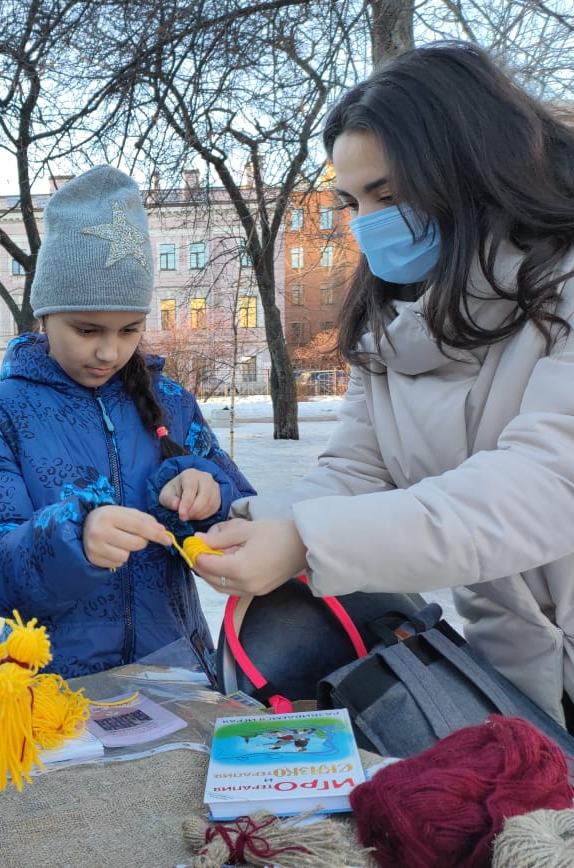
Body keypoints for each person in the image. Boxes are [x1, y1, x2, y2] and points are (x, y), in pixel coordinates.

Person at [193, 41, 574, 728]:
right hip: (514, 679)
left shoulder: (564, 288)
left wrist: (308, 540)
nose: (368, 222)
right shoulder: (393, 327)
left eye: (388, 194)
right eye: (352, 200)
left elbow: (545, 486)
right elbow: (355, 473)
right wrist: (255, 526)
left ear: (471, 170)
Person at [0, 166, 255, 680]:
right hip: (50, 688)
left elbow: (247, 526)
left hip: (176, 672)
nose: (108, 351)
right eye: (86, 328)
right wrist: (73, 540)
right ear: (44, 314)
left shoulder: (173, 404)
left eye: (130, 329)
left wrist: (211, 495)